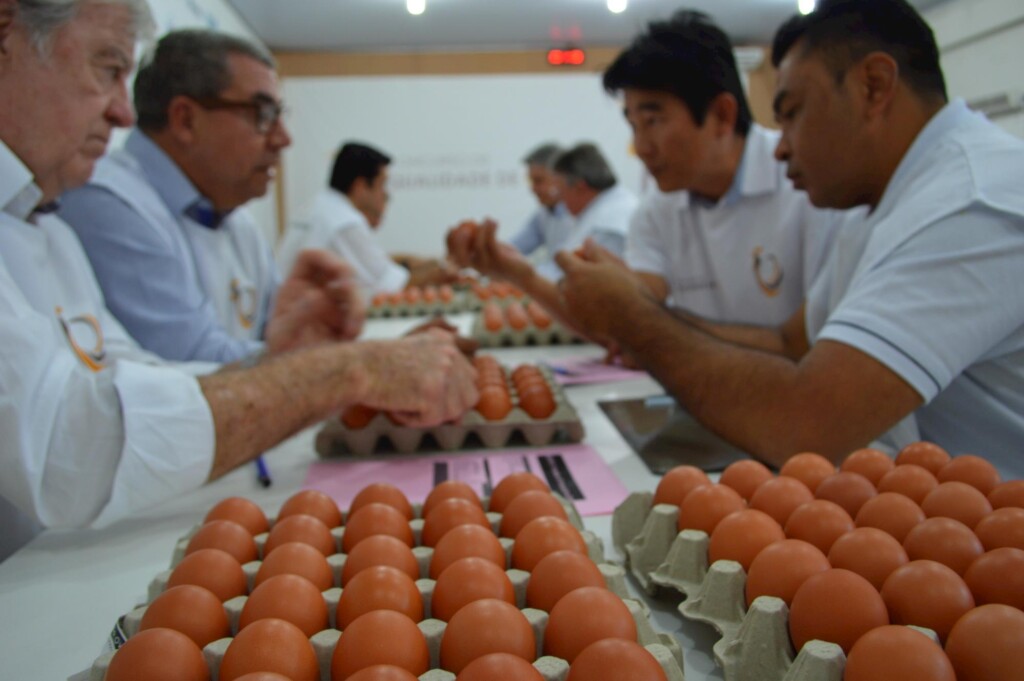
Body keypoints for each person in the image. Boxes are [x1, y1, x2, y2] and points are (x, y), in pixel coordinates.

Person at [0, 0, 477, 561]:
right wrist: (339, 370)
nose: (123, 114)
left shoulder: (44, 223)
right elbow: (72, 450)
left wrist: (281, 360)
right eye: (106, 69)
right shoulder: (100, 202)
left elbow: (135, 376)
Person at [555, 0, 1024, 478]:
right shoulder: (879, 206)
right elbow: (790, 343)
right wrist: (636, 311)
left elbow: (809, 424)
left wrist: (635, 318)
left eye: (793, 113)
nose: (780, 149)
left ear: (874, 86)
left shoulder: (971, 201)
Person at [59, 29, 303, 363]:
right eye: (262, 115)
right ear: (185, 120)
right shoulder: (107, 201)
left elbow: (276, 337)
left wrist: (311, 327)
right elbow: (196, 364)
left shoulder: (237, 221)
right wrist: (327, 360)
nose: (283, 139)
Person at [603, 10, 845, 327]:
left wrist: (668, 329)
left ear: (721, 115)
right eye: (634, 126)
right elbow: (645, 304)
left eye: (653, 121)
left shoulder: (810, 188)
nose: (641, 147)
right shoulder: (655, 211)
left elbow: (811, 339)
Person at [446, 142, 637, 326]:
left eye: (562, 190)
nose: (561, 198)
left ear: (580, 186)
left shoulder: (608, 224)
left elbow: (570, 280)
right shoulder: (598, 211)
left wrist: (519, 274)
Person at [277, 142, 457, 299]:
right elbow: (394, 287)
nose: (386, 195)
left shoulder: (321, 208)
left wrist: (426, 263)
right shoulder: (344, 222)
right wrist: (445, 269)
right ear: (361, 186)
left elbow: (380, 263)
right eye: (382, 185)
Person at [505, 142, 572, 281]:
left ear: (559, 178)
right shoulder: (544, 214)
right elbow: (514, 248)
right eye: (531, 181)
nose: (533, 189)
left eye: (539, 181)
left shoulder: (579, 215)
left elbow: (564, 267)